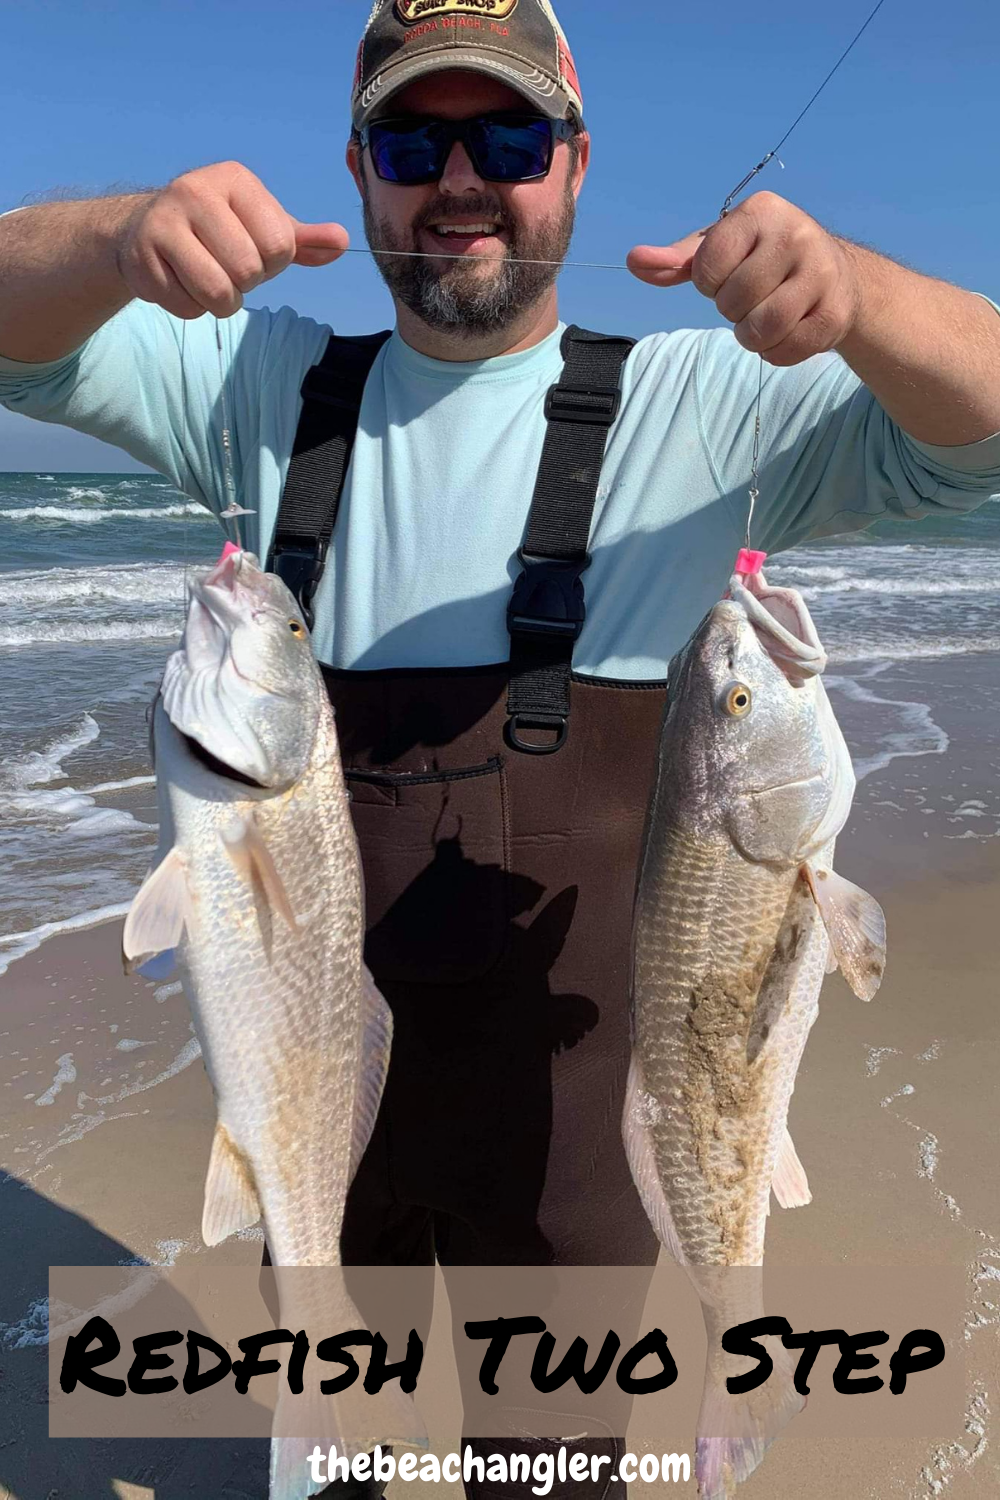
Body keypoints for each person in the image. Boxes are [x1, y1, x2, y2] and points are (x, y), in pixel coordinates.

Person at [2, 3, 999, 1497]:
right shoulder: (262, 393)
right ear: (358, 169)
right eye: (415, 141)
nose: (459, 179)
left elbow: (978, 422)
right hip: (320, 1120)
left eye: (508, 138)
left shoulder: (700, 404)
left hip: (581, 1155)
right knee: (323, 1462)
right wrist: (111, 238)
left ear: (576, 165)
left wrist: (852, 291)